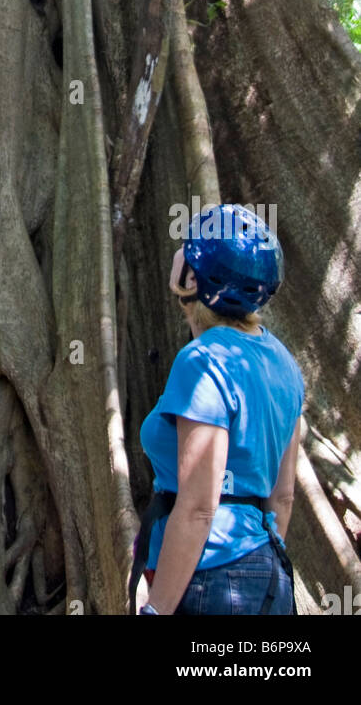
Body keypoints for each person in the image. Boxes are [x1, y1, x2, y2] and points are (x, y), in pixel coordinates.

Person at [131, 204, 304, 616]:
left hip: (210, 576)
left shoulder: (203, 361)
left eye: (186, 246)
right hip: (268, 576)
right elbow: (283, 496)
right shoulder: (284, 362)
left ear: (193, 278)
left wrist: (156, 610)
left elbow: (198, 507)